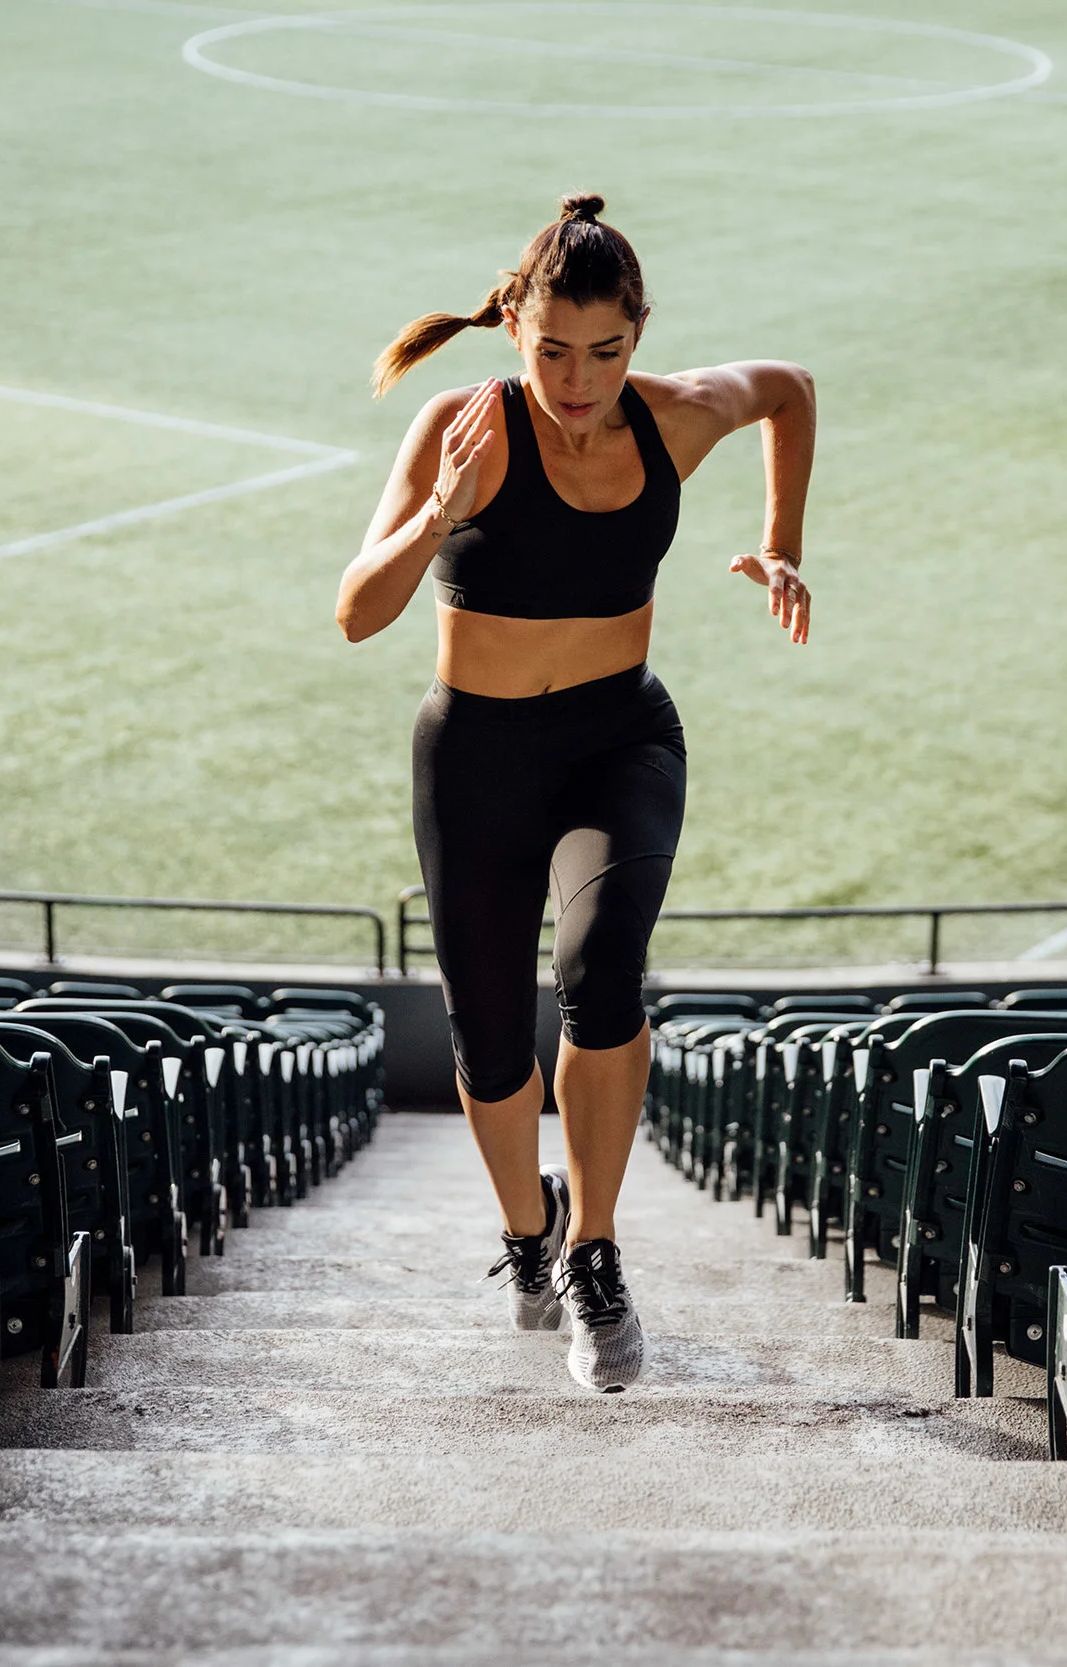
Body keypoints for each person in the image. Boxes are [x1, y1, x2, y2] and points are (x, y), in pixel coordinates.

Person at [336, 193, 814, 1391]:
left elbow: (790, 388)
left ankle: (596, 1248)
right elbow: (356, 611)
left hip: (620, 738)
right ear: (514, 323)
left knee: (603, 978)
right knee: (490, 1042)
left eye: (605, 350)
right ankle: (528, 1229)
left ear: (638, 332)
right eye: (553, 348)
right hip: (476, 754)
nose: (578, 376)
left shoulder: (677, 418)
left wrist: (784, 540)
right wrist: (442, 512)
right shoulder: (463, 427)